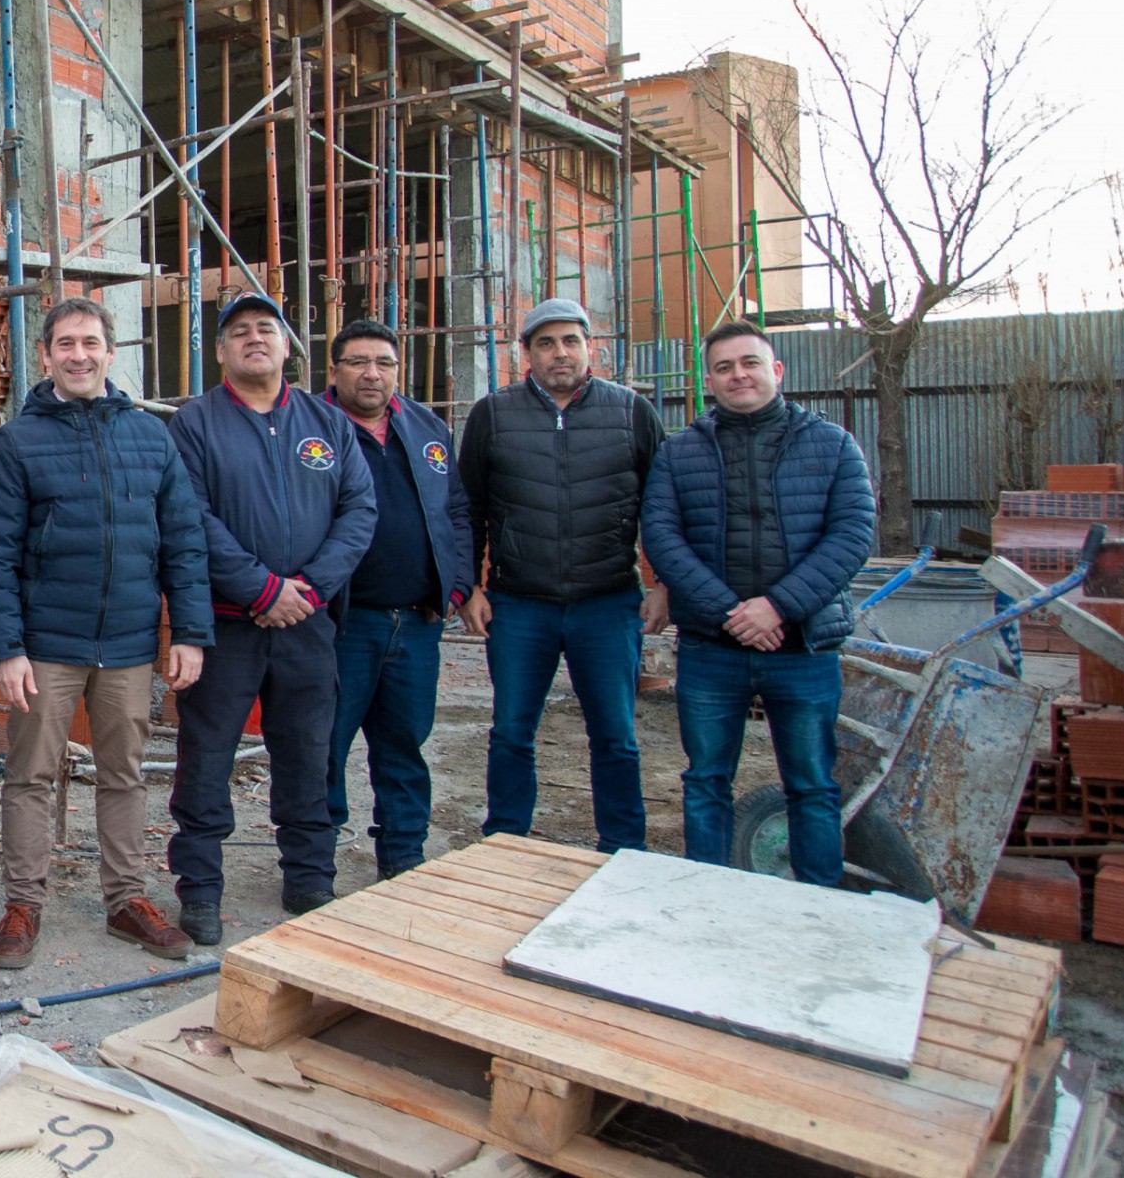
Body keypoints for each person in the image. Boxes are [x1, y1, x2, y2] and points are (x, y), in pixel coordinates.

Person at [0, 298, 211, 970]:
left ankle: (126, 900)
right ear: (45, 356)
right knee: (29, 776)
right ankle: (23, 903)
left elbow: (185, 545)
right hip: (48, 644)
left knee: (125, 774)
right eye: (65, 344)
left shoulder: (150, 437)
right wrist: (8, 649)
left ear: (110, 353)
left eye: (91, 342)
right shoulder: (20, 441)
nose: (79, 354)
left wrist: (187, 632)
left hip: (132, 642)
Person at [167, 294, 375, 944]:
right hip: (227, 625)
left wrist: (308, 590)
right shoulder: (194, 424)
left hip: (307, 626)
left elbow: (359, 510)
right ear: (222, 351)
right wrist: (260, 588)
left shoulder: (326, 423)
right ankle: (200, 890)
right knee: (206, 760)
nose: (254, 339)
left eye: (267, 329)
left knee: (307, 754)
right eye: (239, 332)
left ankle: (309, 877)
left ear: (288, 345)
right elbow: (191, 517)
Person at [641, 320, 875, 886]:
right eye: (723, 367)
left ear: (776, 371)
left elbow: (853, 533)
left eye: (749, 363)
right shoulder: (681, 453)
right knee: (705, 781)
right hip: (711, 650)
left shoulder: (832, 444)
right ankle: (710, 896)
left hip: (803, 648)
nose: (737, 375)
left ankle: (817, 903)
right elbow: (662, 539)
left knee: (812, 785)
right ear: (710, 380)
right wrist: (731, 612)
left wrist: (777, 607)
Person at [456, 299, 667, 852]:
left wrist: (663, 584)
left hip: (608, 601)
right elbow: (469, 508)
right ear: (525, 353)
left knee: (616, 735)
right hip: (521, 604)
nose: (560, 353)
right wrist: (469, 588)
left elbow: (660, 505)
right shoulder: (494, 415)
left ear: (590, 347)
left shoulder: (630, 413)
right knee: (510, 733)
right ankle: (506, 841)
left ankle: (623, 846)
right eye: (546, 343)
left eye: (571, 341)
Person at [321, 319, 475, 880]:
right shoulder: (310, 427)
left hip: (416, 622)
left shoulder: (427, 428)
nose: (372, 373)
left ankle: (404, 854)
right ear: (333, 371)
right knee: (326, 745)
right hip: (342, 623)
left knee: (405, 743)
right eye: (358, 362)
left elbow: (456, 512)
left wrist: (454, 586)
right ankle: (317, 859)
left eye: (384, 363)